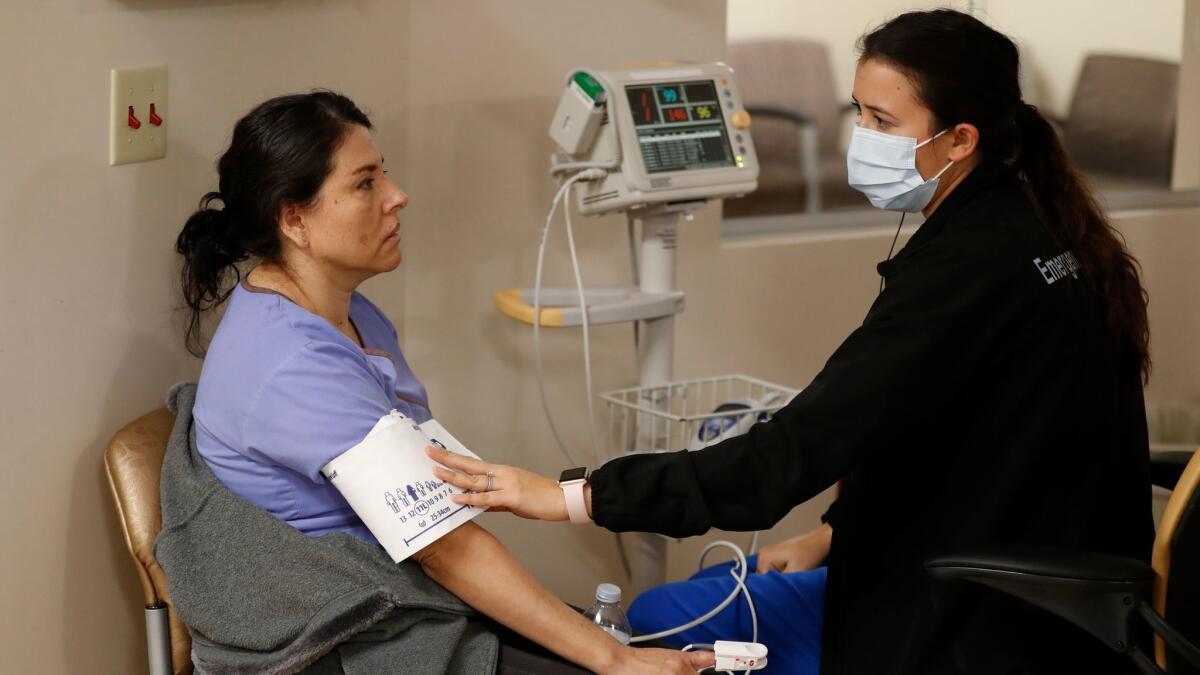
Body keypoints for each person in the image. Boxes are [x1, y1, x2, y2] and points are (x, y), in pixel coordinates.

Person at [427, 10, 1154, 675]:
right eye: (858, 112)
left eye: (882, 120)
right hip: (1013, 577)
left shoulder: (964, 274)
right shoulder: (1042, 226)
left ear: (961, 139)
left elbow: (789, 455)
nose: (860, 137)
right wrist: (833, 533)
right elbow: (942, 430)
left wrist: (570, 496)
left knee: (655, 616)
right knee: (709, 590)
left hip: (972, 617)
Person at [175, 90, 713, 675]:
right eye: (364, 184)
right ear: (294, 218)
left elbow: (436, 501)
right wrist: (613, 661)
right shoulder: (293, 365)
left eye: (386, 175)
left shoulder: (345, 312)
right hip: (334, 631)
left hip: (388, 589)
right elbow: (445, 550)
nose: (396, 197)